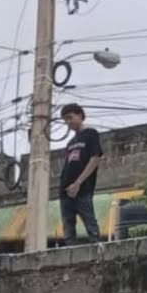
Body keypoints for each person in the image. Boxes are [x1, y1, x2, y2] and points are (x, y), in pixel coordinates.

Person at [59, 103, 103, 245]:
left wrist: (78, 183)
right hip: (65, 189)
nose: (68, 122)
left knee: (91, 226)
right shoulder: (70, 142)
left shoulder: (90, 134)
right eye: (65, 120)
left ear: (79, 115)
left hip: (82, 189)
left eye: (70, 117)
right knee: (68, 229)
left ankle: (98, 256)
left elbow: (95, 158)